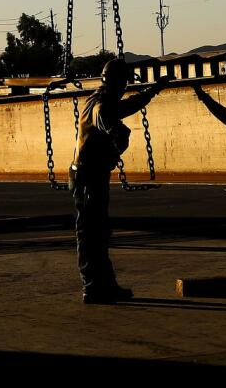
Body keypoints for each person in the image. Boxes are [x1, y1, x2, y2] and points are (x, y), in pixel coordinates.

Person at [69, 59, 170, 304]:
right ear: (116, 82)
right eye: (124, 82)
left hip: (89, 175)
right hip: (89, 177)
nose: (125, 87)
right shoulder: (102, 106)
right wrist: (118, 141)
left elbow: (127, 106)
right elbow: (110, 123)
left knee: (97, 232)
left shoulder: (99, 100)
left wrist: (154, 90)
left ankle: (104, 285)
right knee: (92, 234)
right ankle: (93, 287)